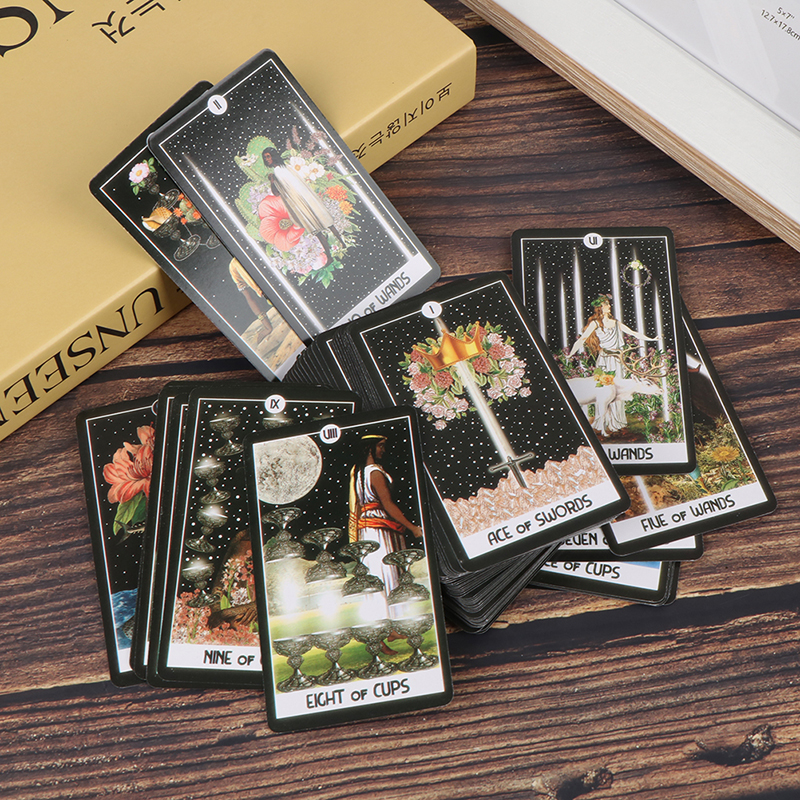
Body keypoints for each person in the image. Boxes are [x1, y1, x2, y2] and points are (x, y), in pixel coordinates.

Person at [569, 295, 657, 433]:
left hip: (616, 360)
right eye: (606, 305)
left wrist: (651, 339)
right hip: (604, 360)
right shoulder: (596, 324)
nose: (609, 306)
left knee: (618, 388)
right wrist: (571, 353)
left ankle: (616, 421)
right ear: (600, 308)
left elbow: (633, 333)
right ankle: (601, 422)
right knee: (602, 390)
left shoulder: (616, 323)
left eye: (608, 304)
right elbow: (582, 339)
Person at [348, 434, 422, 597]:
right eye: (380, 446)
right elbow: (388, 504)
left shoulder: (359, 473)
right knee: (387, 570)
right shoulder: (375, 472)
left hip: (367, 528)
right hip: (380, 530)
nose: (383, 450)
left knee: (376, 569)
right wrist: (413, 528)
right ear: (370, 448)